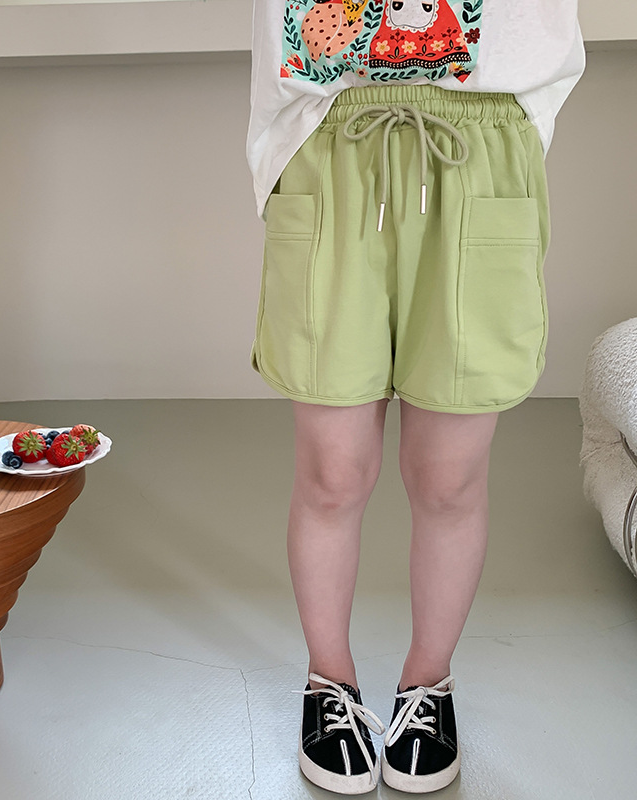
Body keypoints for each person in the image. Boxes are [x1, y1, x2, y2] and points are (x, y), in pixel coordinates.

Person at [246, 1, 585, 794]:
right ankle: (329, 681)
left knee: (449, 477)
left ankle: (428, 684)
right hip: (331, 130)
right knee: (332, 472)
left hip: (482, 139)